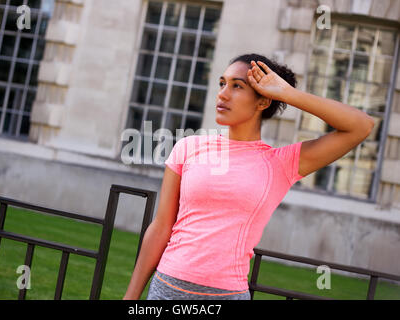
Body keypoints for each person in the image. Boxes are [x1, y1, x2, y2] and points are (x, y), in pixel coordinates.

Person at [123, 53, 374, 300]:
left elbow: (361, 126)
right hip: (167, 289)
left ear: (263, 101)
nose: (222, 94)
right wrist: (131, 297)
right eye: (222, 84)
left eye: (237, 86)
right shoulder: (189, 148)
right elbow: (161, 227)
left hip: (229, 294)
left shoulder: (280, 163)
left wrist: (287, 94)